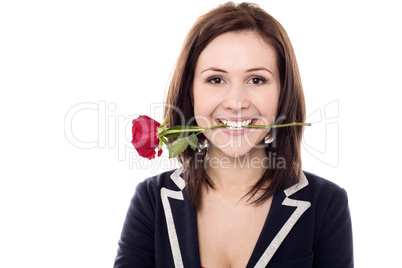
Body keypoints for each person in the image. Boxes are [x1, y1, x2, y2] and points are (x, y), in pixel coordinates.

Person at [113, 2, 353, 267]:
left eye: (257, 80)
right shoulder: (152, 200)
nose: (236, 102)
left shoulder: (326, 204)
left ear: (283, 91)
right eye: (216, 79)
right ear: (190, 90)